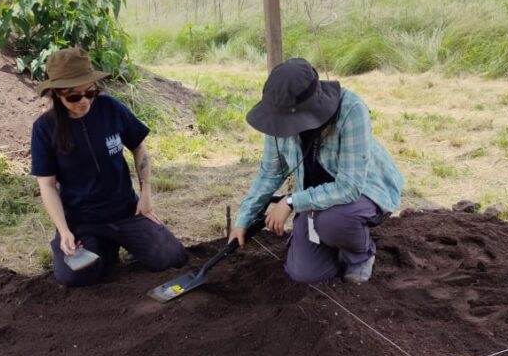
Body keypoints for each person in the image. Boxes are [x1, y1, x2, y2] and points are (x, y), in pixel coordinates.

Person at [230, 58, 403, 284]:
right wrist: (243, 220)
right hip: (314, 200)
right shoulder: (278, 116)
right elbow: (270, 173)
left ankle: (360, 255)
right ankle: (336, 242)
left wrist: (291, 201)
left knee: (333, 221)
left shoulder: (351, 110)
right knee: (305, 274)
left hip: (364, 191)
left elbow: (349, 187)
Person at [31, 46, 187, 287]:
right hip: (82, 221)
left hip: (127, 212)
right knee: (74, 276)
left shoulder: (111, 108)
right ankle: (102, 246)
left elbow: (139, 148)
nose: (84, 101)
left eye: (90, 92)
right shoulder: (44, 128)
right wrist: (64, 230)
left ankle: (113, 243)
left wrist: (146, 195)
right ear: (57, 94)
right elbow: (48, 185)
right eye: (73, 97)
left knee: (171, 257)